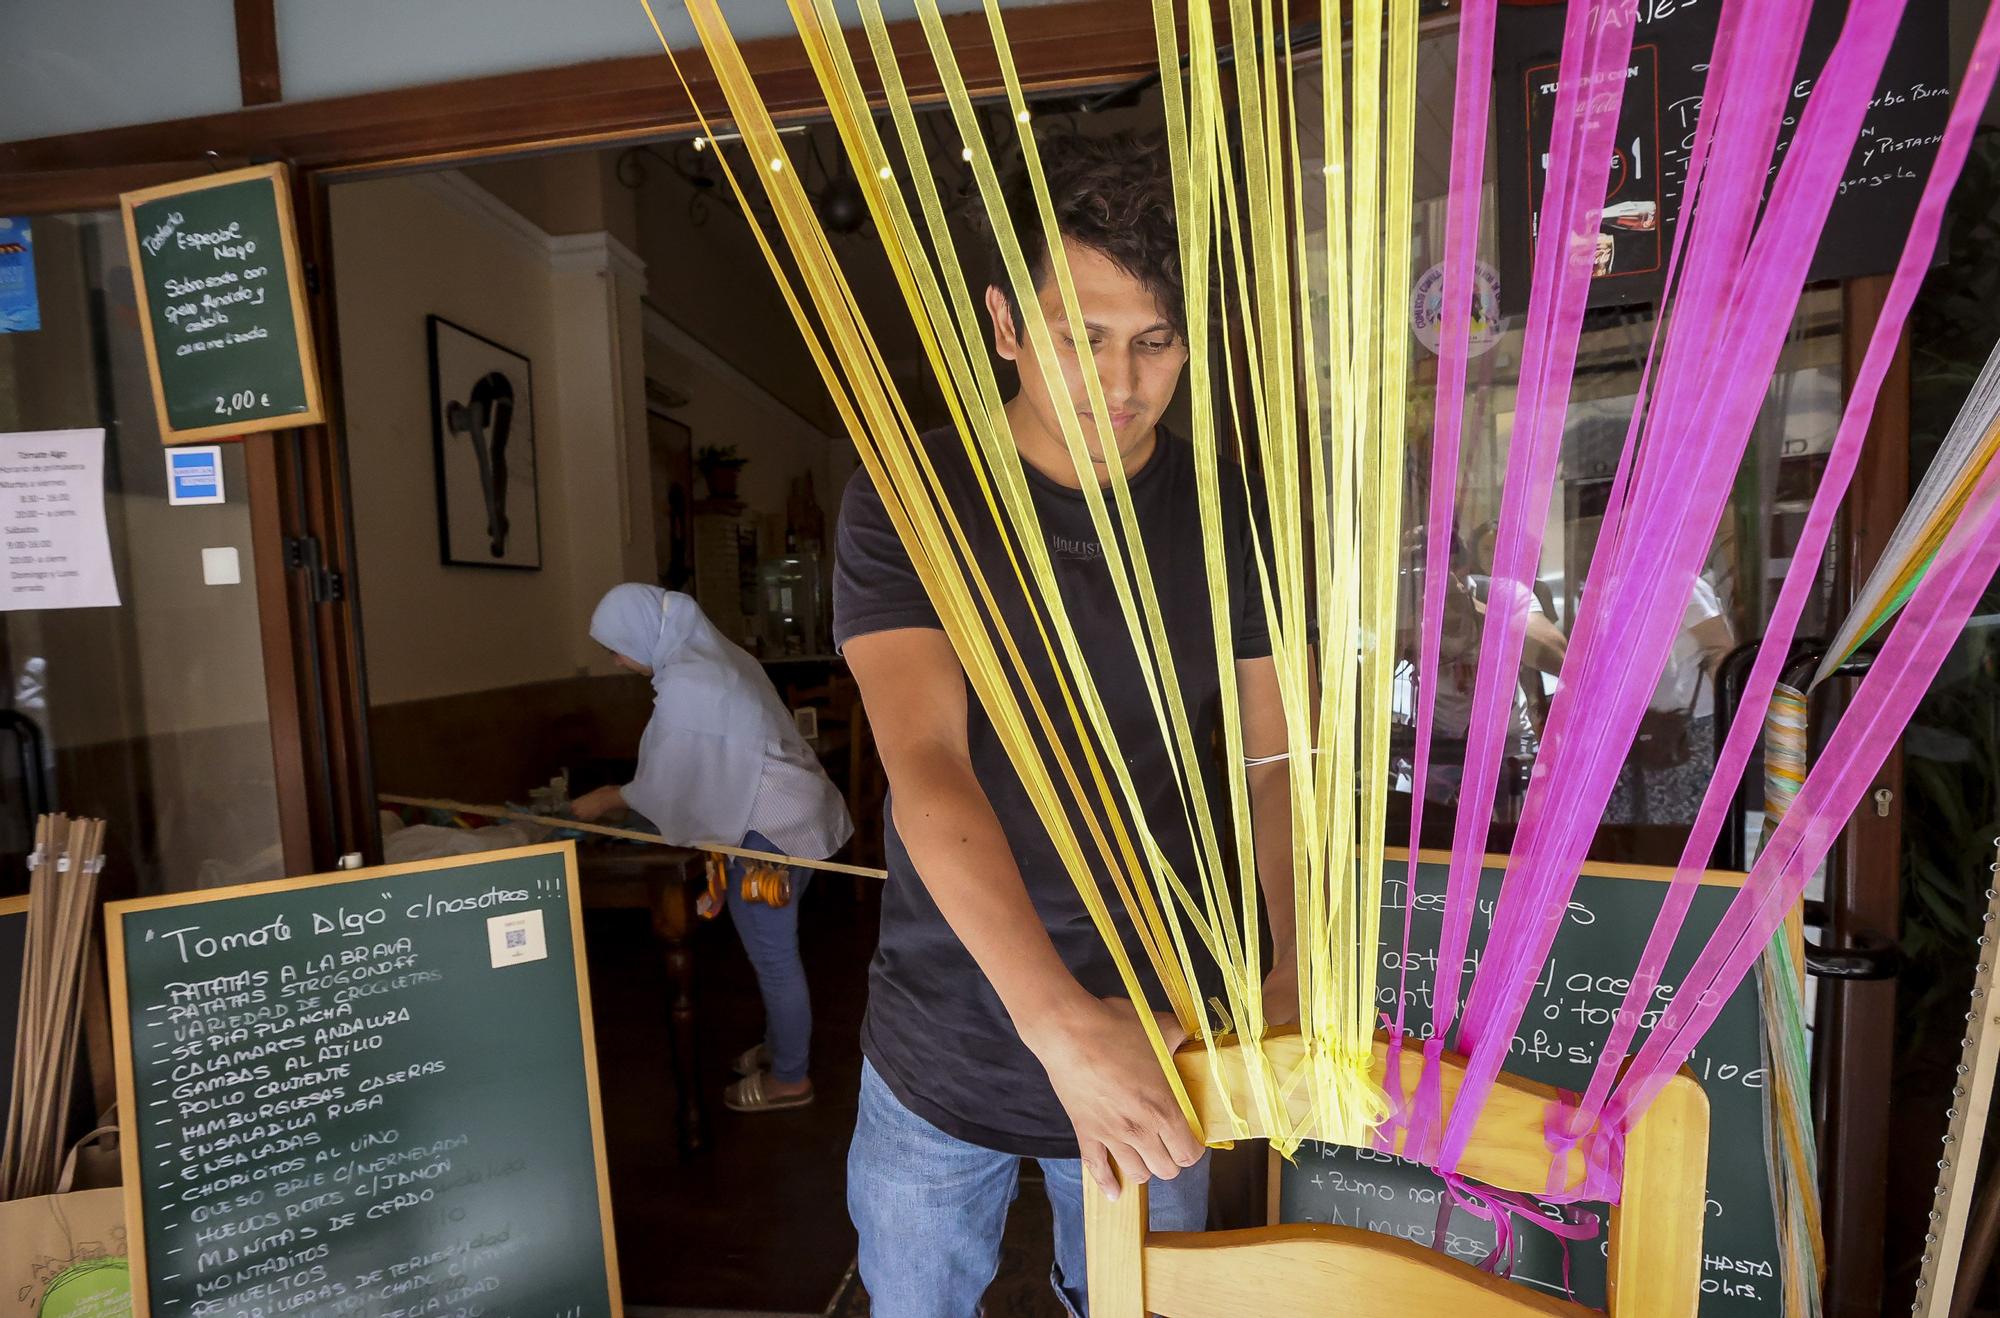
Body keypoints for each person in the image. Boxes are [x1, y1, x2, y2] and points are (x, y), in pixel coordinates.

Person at [833, 132, 1298, 1315]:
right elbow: (926, 762)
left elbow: (1272, 755)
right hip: (948, 1030)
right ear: (1001, 323)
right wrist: (1061, 1030)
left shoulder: (1228, 509)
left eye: (1152, 342)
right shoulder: (913, 494)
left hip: (1166, 1026)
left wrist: (1287, 970)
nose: (1118, 383)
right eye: (1074, 336)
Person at [574, 584, 852, 1112]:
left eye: (614, 646)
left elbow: (670, 779)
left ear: (640, 634)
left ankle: (791, 1079)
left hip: (772, 834)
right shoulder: (714, 658)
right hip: (794, 818)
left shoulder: (689, 682)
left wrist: (610, 798)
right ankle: (780, 1046)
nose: (613, 659)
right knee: (774, 952)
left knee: (774, 958)